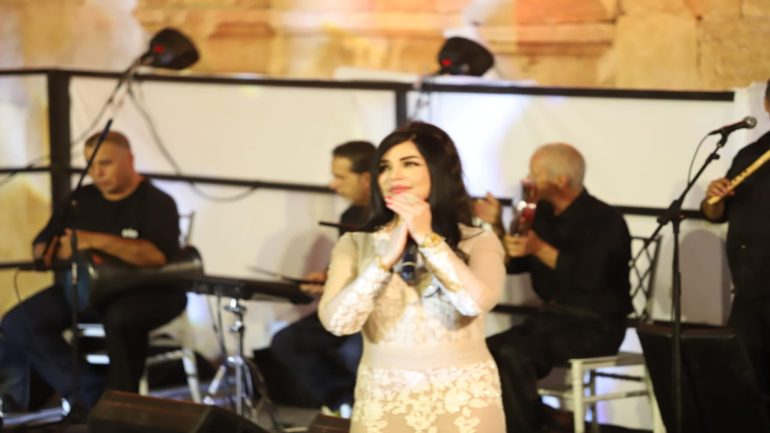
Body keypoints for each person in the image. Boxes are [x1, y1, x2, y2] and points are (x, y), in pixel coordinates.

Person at [318, 121, 506, 433]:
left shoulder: (478, 241)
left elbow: (475, 303)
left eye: (409, 164)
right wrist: (383, 262)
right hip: (384, 397)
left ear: (438, 170)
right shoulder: (355, 244)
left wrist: (428, 239)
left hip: (462, 399)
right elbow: (338, 323)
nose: (394, 176)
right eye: (385, 167)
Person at [1, 131, 187, 410]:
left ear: (130, 160)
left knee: (121, 319)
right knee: (19, 321)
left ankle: (124, 407)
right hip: (85, 289)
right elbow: (41, 246)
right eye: (91, 164)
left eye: (106, 163)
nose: (97, 173)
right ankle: (90, 395)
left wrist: (93, 240)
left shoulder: (157, 201)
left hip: (147, 291)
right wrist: (56, 249)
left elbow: (155, 256)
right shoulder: (81, 199)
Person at [481, 143, 632, 433]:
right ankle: (543, 418)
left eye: (534, 174)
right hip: (550, 320)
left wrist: (539, 247)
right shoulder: (542, 216)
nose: (528, 180)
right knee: (487, 352)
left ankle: (536, 424)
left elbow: (593, 277)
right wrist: (498, 225)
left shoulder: (605, 220)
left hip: (596, 326)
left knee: (514, 353)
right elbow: (512, 263)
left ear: (561, 180)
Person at [270, 140, 374, 413]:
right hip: (347, 307)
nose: (333, 184)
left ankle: (366, 407)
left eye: (341, 177)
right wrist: (326, 278)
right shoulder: (350, 215)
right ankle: (346, 403)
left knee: (354, 351)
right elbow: (346, 263)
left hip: (375, 312)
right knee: (286, 342)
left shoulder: (387, 216)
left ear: (366, 178)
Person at [701, 79, 770, 410]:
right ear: (767, 105)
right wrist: (714, 197)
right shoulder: (750, 155)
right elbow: (715, 214)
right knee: (747, 383)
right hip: (749, 289)